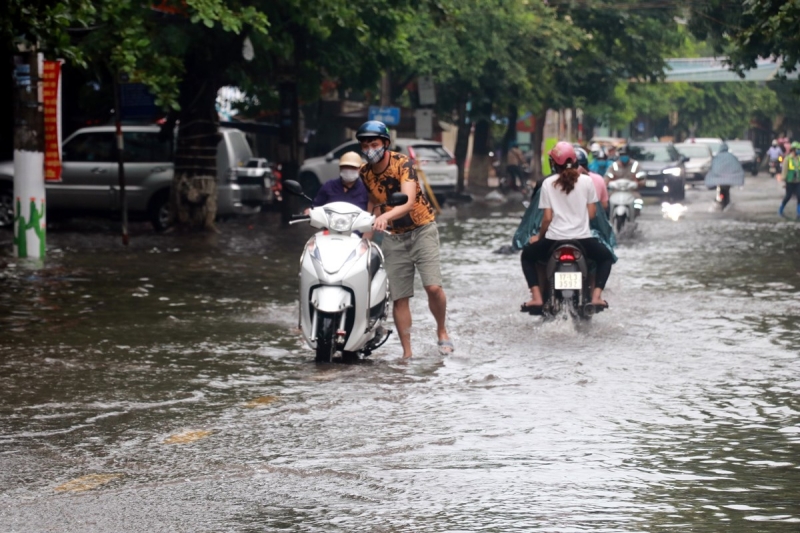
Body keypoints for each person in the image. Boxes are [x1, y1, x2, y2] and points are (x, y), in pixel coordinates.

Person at [355, 120, 453, 358]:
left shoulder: (402, 163)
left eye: (374, 144)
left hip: (422, 228)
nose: (369, 149)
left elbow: (408, 201)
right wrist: (365, 238)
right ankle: (407, 354)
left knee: (433, 287)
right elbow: (373, 203)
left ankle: (441, 330)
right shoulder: (365, 173)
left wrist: (385, 216)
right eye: (365, 145)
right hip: (393, 237)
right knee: (400, 297)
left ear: (385, 144)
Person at [520, 141, 614, 312]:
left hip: (554, 240)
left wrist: (538, 238)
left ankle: (536, 297)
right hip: (583, 240)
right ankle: (596, 296)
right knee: (606, 257)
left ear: (554, 164)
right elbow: (592, 214)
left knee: (526, 256)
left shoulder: (548, 184)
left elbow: (547, 219)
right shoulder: (587, 182)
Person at [704, 142, 744, 210]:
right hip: (729, 178)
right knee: (727, 190)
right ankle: (726, 202)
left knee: (722, 188)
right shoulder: (732, 156)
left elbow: (712, 167)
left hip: (719, 178)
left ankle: (722, 201)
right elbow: (737, 166)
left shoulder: (717, 157)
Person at [779, 143, 800, 218]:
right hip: (790, 181)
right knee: (788, 196)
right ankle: (781, 209)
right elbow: (784, 171)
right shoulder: (787, 159)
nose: (799, 151)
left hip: (798, 181)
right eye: (798, 149)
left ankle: (798, 213)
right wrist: (784, 180)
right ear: (793, 150)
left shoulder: (799, 158)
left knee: (799, 196)